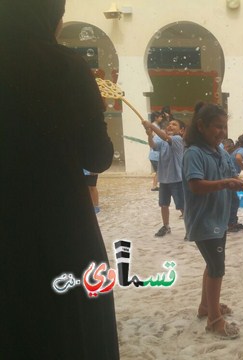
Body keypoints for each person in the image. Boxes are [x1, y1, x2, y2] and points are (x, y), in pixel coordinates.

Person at [0, 0, 119, 358]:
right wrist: (93, 107)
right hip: (60, 226)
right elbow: (97, 156)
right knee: (71, 327)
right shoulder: (64, 67)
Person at [182, 102, 243, 339]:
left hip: (219, 219)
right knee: (217, 267)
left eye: (224, 127)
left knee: (212, 264)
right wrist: (227, 183)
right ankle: (214, 320)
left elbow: (228, 174)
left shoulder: (220, 151)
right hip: (204, 221)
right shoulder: (193, 153)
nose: (222, 132)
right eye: (217, 127)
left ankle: (206, 307)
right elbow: (196, 185)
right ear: (201, 126)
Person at [143, 118, 186, 237]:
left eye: (174, 124)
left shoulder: (178, 139)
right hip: (164, 180)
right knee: (163, 204)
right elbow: (153, 146)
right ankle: (166, 226)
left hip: (177, 179)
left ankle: (190, 228)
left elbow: (165, 137)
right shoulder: (163, 141)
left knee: (182, 206)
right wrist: (150, 135)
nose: (170, 126)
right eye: (169, 124)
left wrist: (151, 125)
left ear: (181, 130)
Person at [149, 111, 163, 191]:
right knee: (158, 171)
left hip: (154, 154)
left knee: (158, 171)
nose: (161, 118)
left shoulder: (156, 126)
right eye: (160, 117)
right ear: (155, 118)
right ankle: (154, 186)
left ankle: (155, 185)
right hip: (155, 155)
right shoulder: (154, 126)